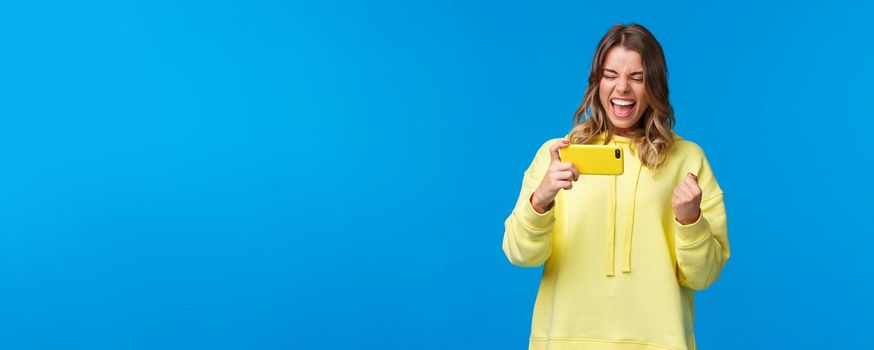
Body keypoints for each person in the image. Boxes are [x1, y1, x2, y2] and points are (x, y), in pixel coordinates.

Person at [502, 23, 730, 350]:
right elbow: (519, 254)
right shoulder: (558, 154)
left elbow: (703, 276)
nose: (622, 88)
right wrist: (541, 199)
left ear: (655, 85)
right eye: (610, 75)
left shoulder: (687, 159)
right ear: (596, 82)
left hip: (660, 342)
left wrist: (691, 221)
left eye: (637, 78)